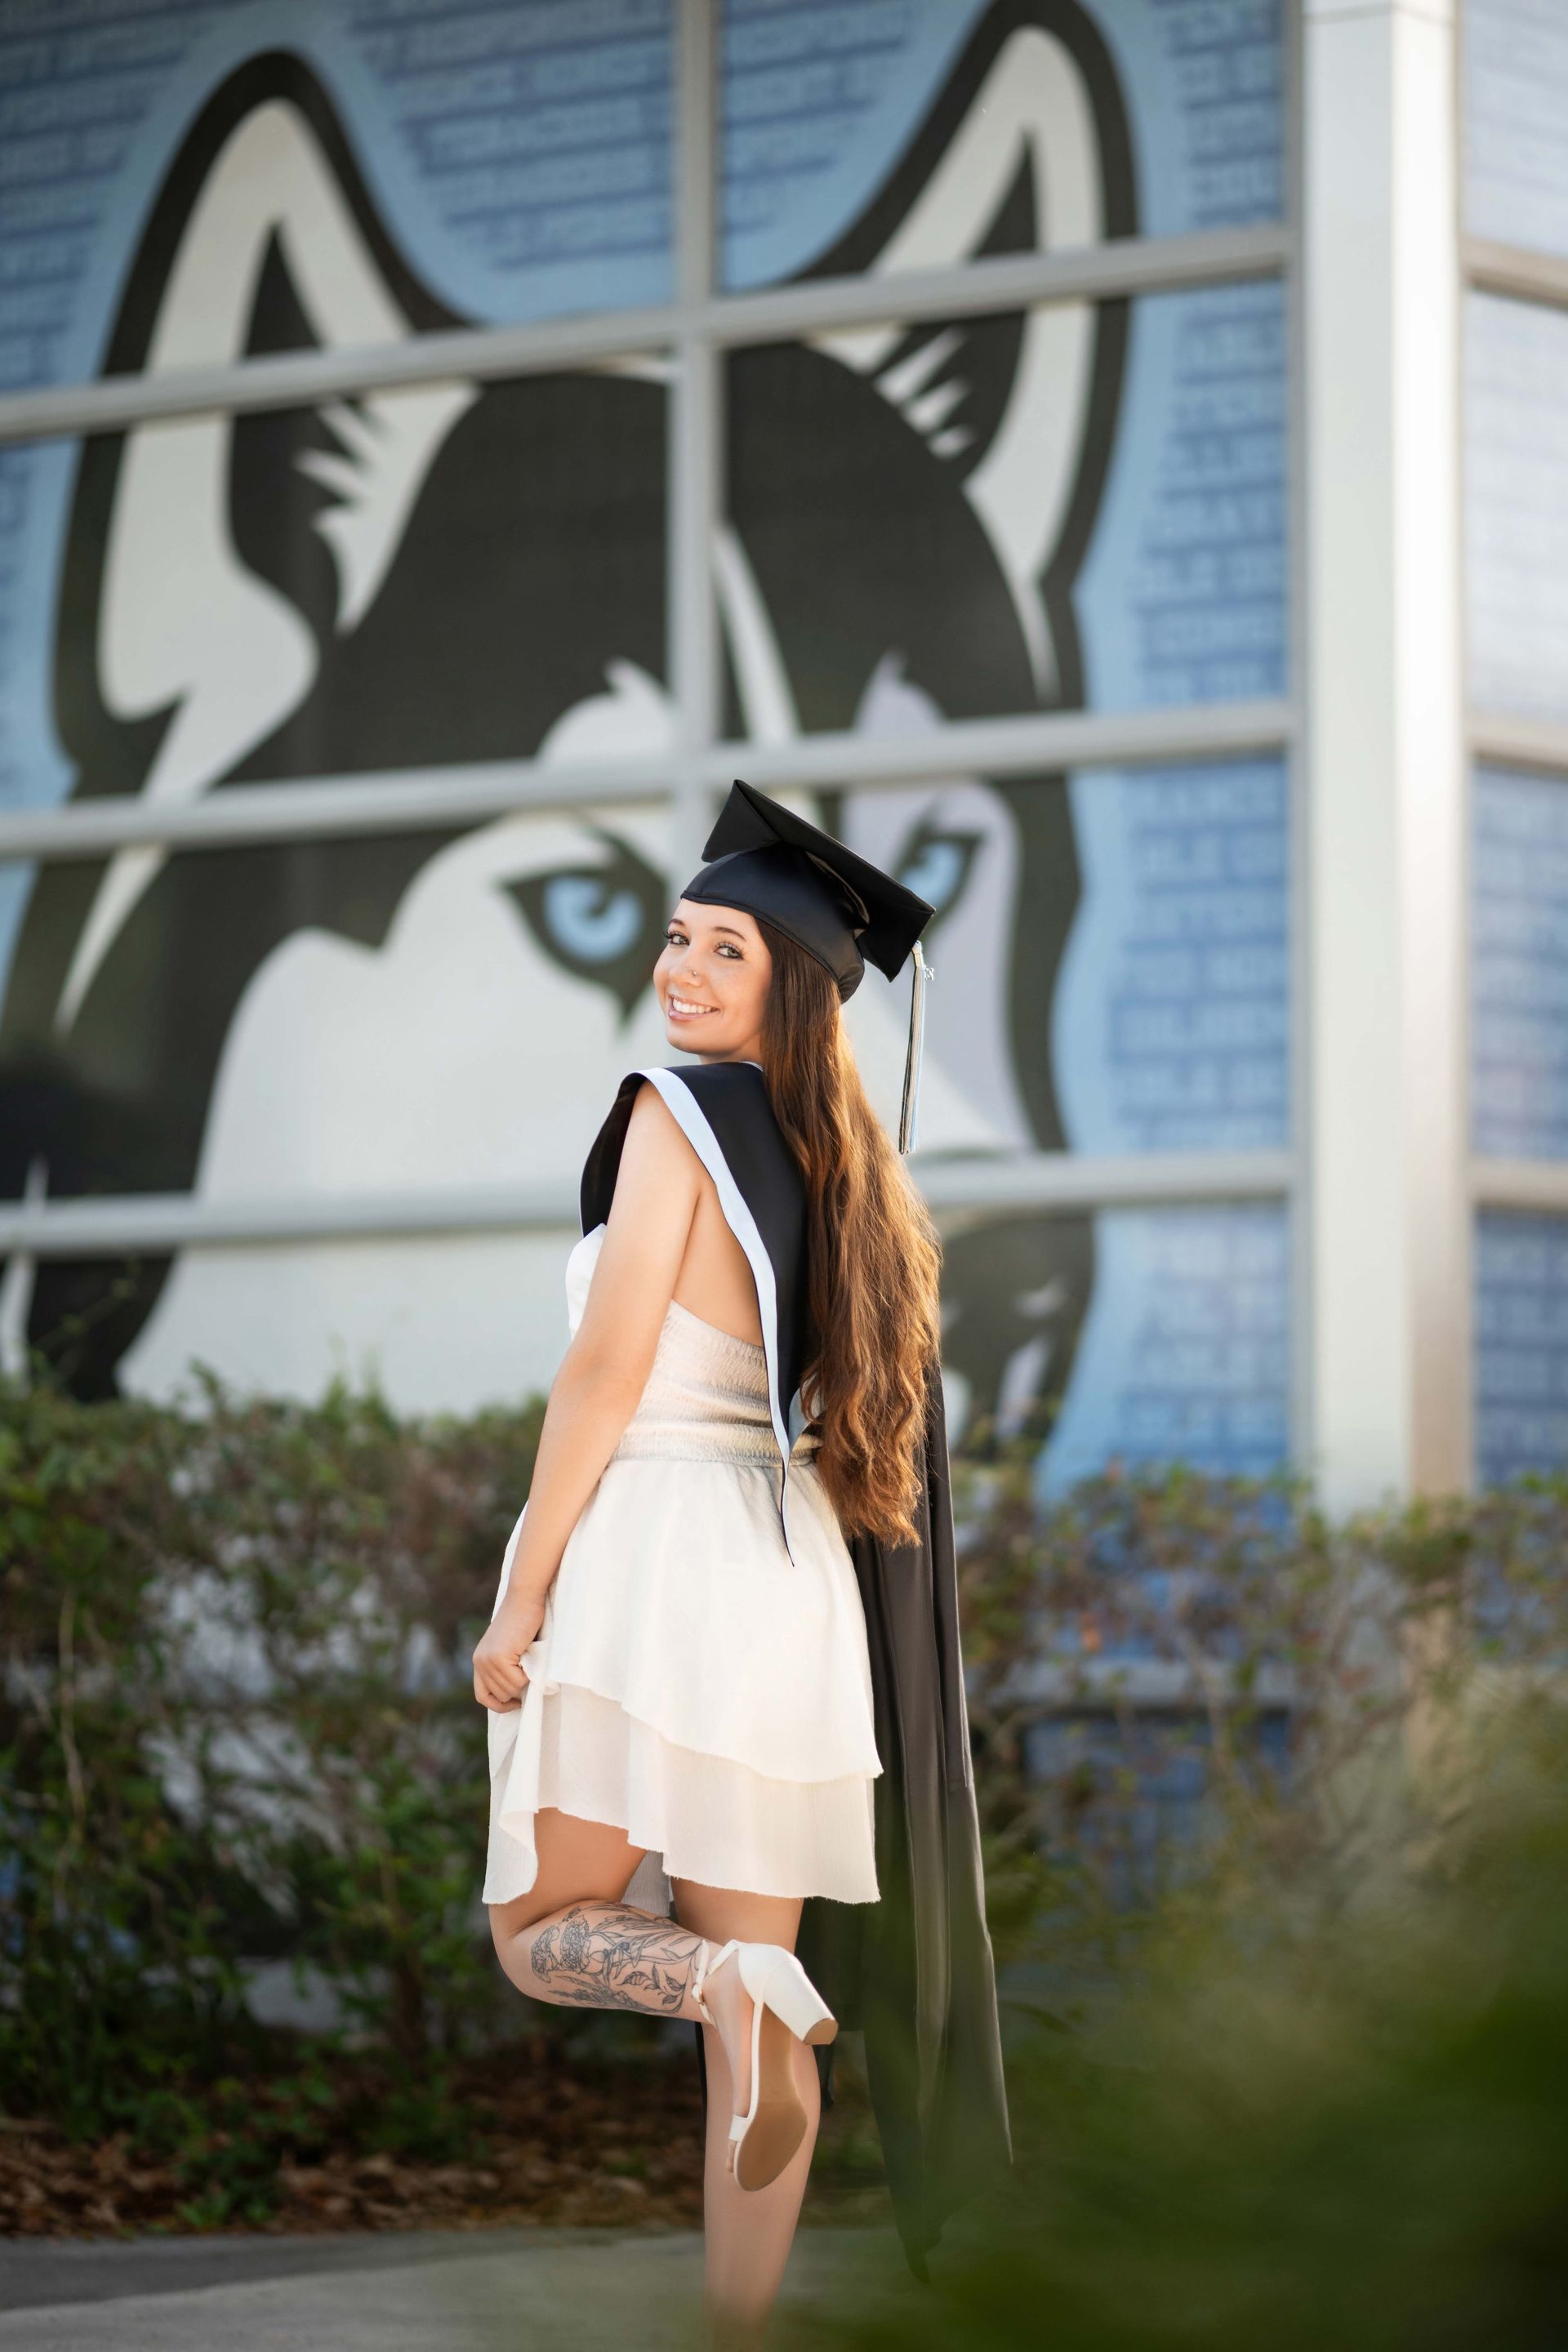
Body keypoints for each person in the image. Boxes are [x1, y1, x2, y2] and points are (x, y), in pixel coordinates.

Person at [473, 781, 1010, 2345]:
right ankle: (737, 2330)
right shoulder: (849, 1178)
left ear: (792, 984)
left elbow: (605, 1368)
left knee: (542, 1937)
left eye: (727, 950)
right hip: (790, 1591)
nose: (683, 973)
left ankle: (721, 1988)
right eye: (675, 938)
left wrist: (525, 1589)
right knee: (761, 1990)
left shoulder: (671, 1110)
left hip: (651, 1557)